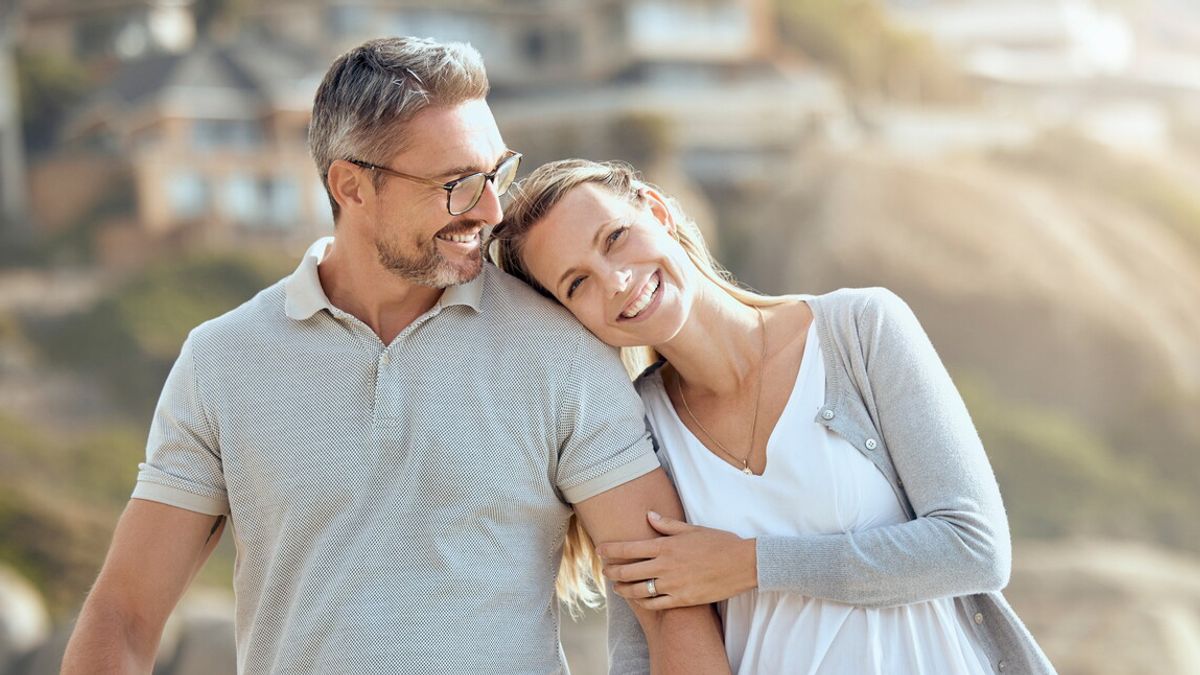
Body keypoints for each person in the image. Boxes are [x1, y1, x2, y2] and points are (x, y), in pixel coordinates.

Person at [60, 39, 731, 675]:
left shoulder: (562, 351)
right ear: (352, 187)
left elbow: (670, 608)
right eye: (456, 184)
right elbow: (122, 616)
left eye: (497, 172)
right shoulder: (221, 362)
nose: (491, 208)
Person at [486, 158, 1057, 674]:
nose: (616, 281)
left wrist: (752, 564)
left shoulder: (860, 331)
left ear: (655, 211)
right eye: (577, 283)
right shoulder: (632, 428)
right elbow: (646, 643)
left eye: (615, 237)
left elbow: (973, 548)